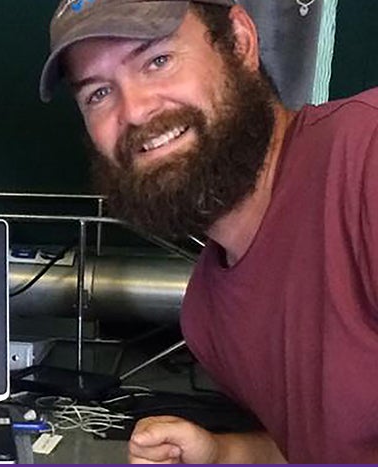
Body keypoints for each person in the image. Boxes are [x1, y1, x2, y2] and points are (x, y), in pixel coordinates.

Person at [39, 0, 378, 463]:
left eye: (158, 61)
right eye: (98, 93)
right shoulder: (208, 316)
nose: (135, 111)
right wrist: (221, 454)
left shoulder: (366, 161)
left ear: (239, 42)